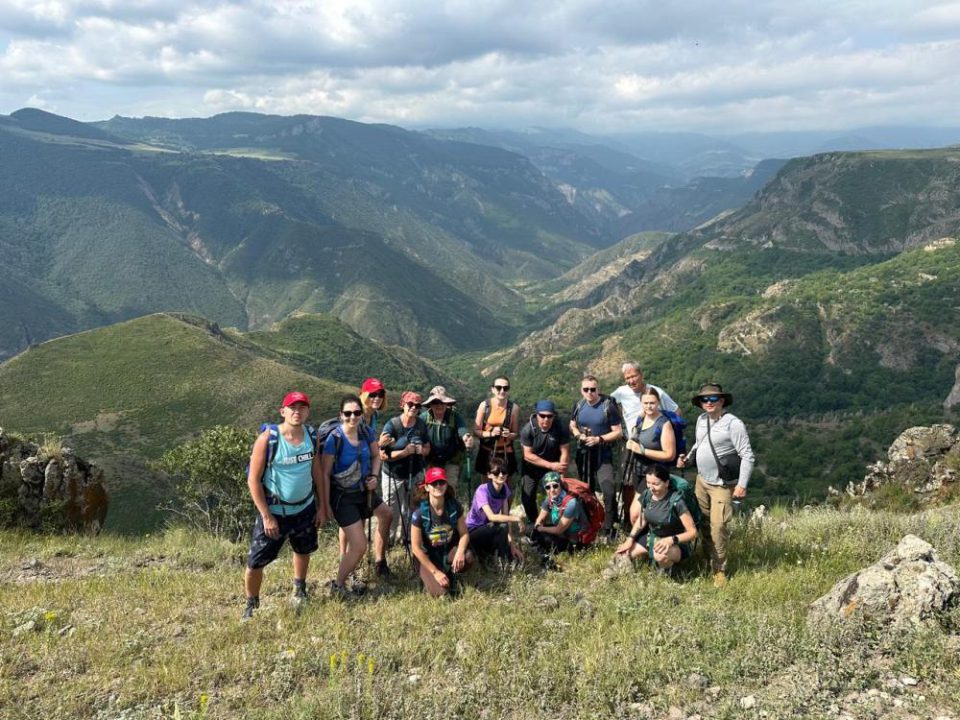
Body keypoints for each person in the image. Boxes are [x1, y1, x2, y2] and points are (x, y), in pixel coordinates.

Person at [242, 391, 325, 621]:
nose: (297, 412)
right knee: (256, 562)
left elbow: (317, 471)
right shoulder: (268, 439)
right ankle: (251, 604)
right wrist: (266, 516)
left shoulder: (312, 435)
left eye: (302, 408)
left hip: (305, 508)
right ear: (283, 411)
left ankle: (299, 589)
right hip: (275, 512)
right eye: (292, 408)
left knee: (303, 550)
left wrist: (322, 506)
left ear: (308, 412)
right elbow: (253, 480)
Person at [678, 382, 755, 588]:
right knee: (703, 521)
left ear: (722, 401)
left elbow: (747, 455)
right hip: (702, 480)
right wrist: (688, 459)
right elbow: (699, 443)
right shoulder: (702, 420)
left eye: (713, 399)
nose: (709, 402)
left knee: (718, 526)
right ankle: (706, 558)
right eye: (705, 399)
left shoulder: (733, 424)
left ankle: (719, 569)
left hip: (722, 485)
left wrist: (742, 484)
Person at [320, 394, 393, 595]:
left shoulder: (366, 432)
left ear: (361, 413)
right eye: (348, 413)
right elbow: (325, 474)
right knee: (359, 545)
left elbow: (376, 456)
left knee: (387, 514)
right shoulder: (334, 439)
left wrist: (374, 476)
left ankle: (376, 561)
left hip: (365, 490)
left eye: (357, 412)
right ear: (341, 415)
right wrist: (325, 505)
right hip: (343, 497)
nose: (353, 417)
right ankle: (338, 585)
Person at [611, 362, 680, 529]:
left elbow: (676, 411)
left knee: (652, 485)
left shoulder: (656, 392)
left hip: (652, 446)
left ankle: (647, 520)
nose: (631, 380)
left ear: (641, 375)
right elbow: (607, 403)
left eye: (634, 376)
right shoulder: (621, 392)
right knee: (628, 482)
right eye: (627, 378)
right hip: (630, 443)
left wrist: (662, 428)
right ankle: (630, 521)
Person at [337, 377, 388, 563]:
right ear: (363, 395)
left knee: (364, 516)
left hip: (365, 474)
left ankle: (357, 558)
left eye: (380, 394)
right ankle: (344, 557)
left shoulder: (373, 416)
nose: (377, 398)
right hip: (349, 475)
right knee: (350, 521)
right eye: (372, 394)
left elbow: (370, 445)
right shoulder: (355, 415)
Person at [614, 464, 698, 571]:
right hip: (653, 537)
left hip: (676, 542)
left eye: (655, 484)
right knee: (621, 554)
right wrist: (630, 539)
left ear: (666, 483)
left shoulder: (677, 502)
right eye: (648, 483)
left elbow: (693, 532)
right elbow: (642, 519)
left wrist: (671, 540)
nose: (651, 487)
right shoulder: (647, 495)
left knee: (660, 555)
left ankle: (670, 572)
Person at [569, 374, 622, 540]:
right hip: (584, 454)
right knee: (586, 490)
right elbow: (572, 424)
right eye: (586, 389)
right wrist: (578, 435)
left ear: (598, 389)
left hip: (602, 454)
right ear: (581, 390)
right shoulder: (579, 405)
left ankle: (609, 526)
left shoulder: (608, 406)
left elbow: (618, 432)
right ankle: (590, 522)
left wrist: (599, 439)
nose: (590, 393)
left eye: (593, 389)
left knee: (608, 490)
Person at [410, 467, 473, 597]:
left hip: (447, 550)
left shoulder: (454, 506)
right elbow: (416, 548)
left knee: (468, 557)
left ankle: (453, 574)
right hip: (428, 557)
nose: (438, 486)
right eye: (434, 483)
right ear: (427, 487)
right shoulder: (419, 513)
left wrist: (460, 552)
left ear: (446, 484)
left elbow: (464, 533)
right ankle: (431, 577)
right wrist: (435, 572)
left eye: (442, 482)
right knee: (441, 593)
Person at [380, 391, 431, 546]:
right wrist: (404, 452)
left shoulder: (421, 425)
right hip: (393, 475)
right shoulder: (392, 425)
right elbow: (383, 455)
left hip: (415, 473)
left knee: (412, 508)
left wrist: (421, 450)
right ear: (402, 405)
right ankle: (389, 541)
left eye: (417, 405)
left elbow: (427, 448)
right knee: (392, 511)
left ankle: (408, 539)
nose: (414, 408)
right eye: (410, 404)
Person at [624, 388, 677, 525]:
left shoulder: (664, 424)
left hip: (654, 474)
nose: (649, 406)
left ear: (658, 402)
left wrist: (642, 450)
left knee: (635, 514)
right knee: (644, 511)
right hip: (638, 470)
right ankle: (648, 536)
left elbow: (670, 454)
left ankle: (643, 537)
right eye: (645, 403)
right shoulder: (641, 418)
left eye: (652, 403)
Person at [519, 399, 570, 522]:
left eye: (549, 416)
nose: (546, 419)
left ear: (554, 416)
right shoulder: (528, 429)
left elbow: (565, 451)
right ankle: (535, 523)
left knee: (557, 494)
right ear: (536, 415)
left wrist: (562, 474)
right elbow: (527, 455)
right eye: (542, 416)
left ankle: (558, 523)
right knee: (527, 497)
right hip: (532, 466)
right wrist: (551, 465)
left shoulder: (561, 428)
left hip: (554, 464)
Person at [466, 458, 525, 564]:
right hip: (473, 531)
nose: (501, 475)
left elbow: (506, 519)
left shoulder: (504, 489)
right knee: (500, 527)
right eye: (496, 472)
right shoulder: (482, 490)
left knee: (503, 527)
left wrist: (512, 546)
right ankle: (504, 561)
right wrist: (516, 518)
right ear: (489, 475)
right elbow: (492, 517)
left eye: (504, 472)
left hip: (488, 529)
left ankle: (506, 560)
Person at [531, 472, 590, 568]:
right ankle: (543, 555)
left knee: (541, 535)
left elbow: (558, 530)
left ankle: (546, 558)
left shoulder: (571, 503)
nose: (552, 490)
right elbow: (540, 519)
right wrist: (537, 527)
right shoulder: (550, 500)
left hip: (575, 542)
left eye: (555, 486)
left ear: (560, 486)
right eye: (548, 487)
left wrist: (541, 529)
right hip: (563, 534)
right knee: (533, 531)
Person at [421, 385, 474, 489]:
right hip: (430, 460)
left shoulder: (454, 416)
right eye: (435, 402)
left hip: (451, 460)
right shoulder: (423, 418)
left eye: (442, 402)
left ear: (446, 404)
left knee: (449, 488)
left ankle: (450, 500)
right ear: (430, 404)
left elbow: (462, 429)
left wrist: (466, 437)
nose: (439, 405)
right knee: (432, 488)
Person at [474, 376, 520, 479]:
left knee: (505, 484)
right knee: (487, 484)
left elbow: (515, 434)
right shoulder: (484, 406)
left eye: (505, 388)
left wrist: (509, 435)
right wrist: (491, 433)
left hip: (506, 453)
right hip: (487, 453)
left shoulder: (514, 409)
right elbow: (476, 431)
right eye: (499, 387)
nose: (502, 391)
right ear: (493, 389)